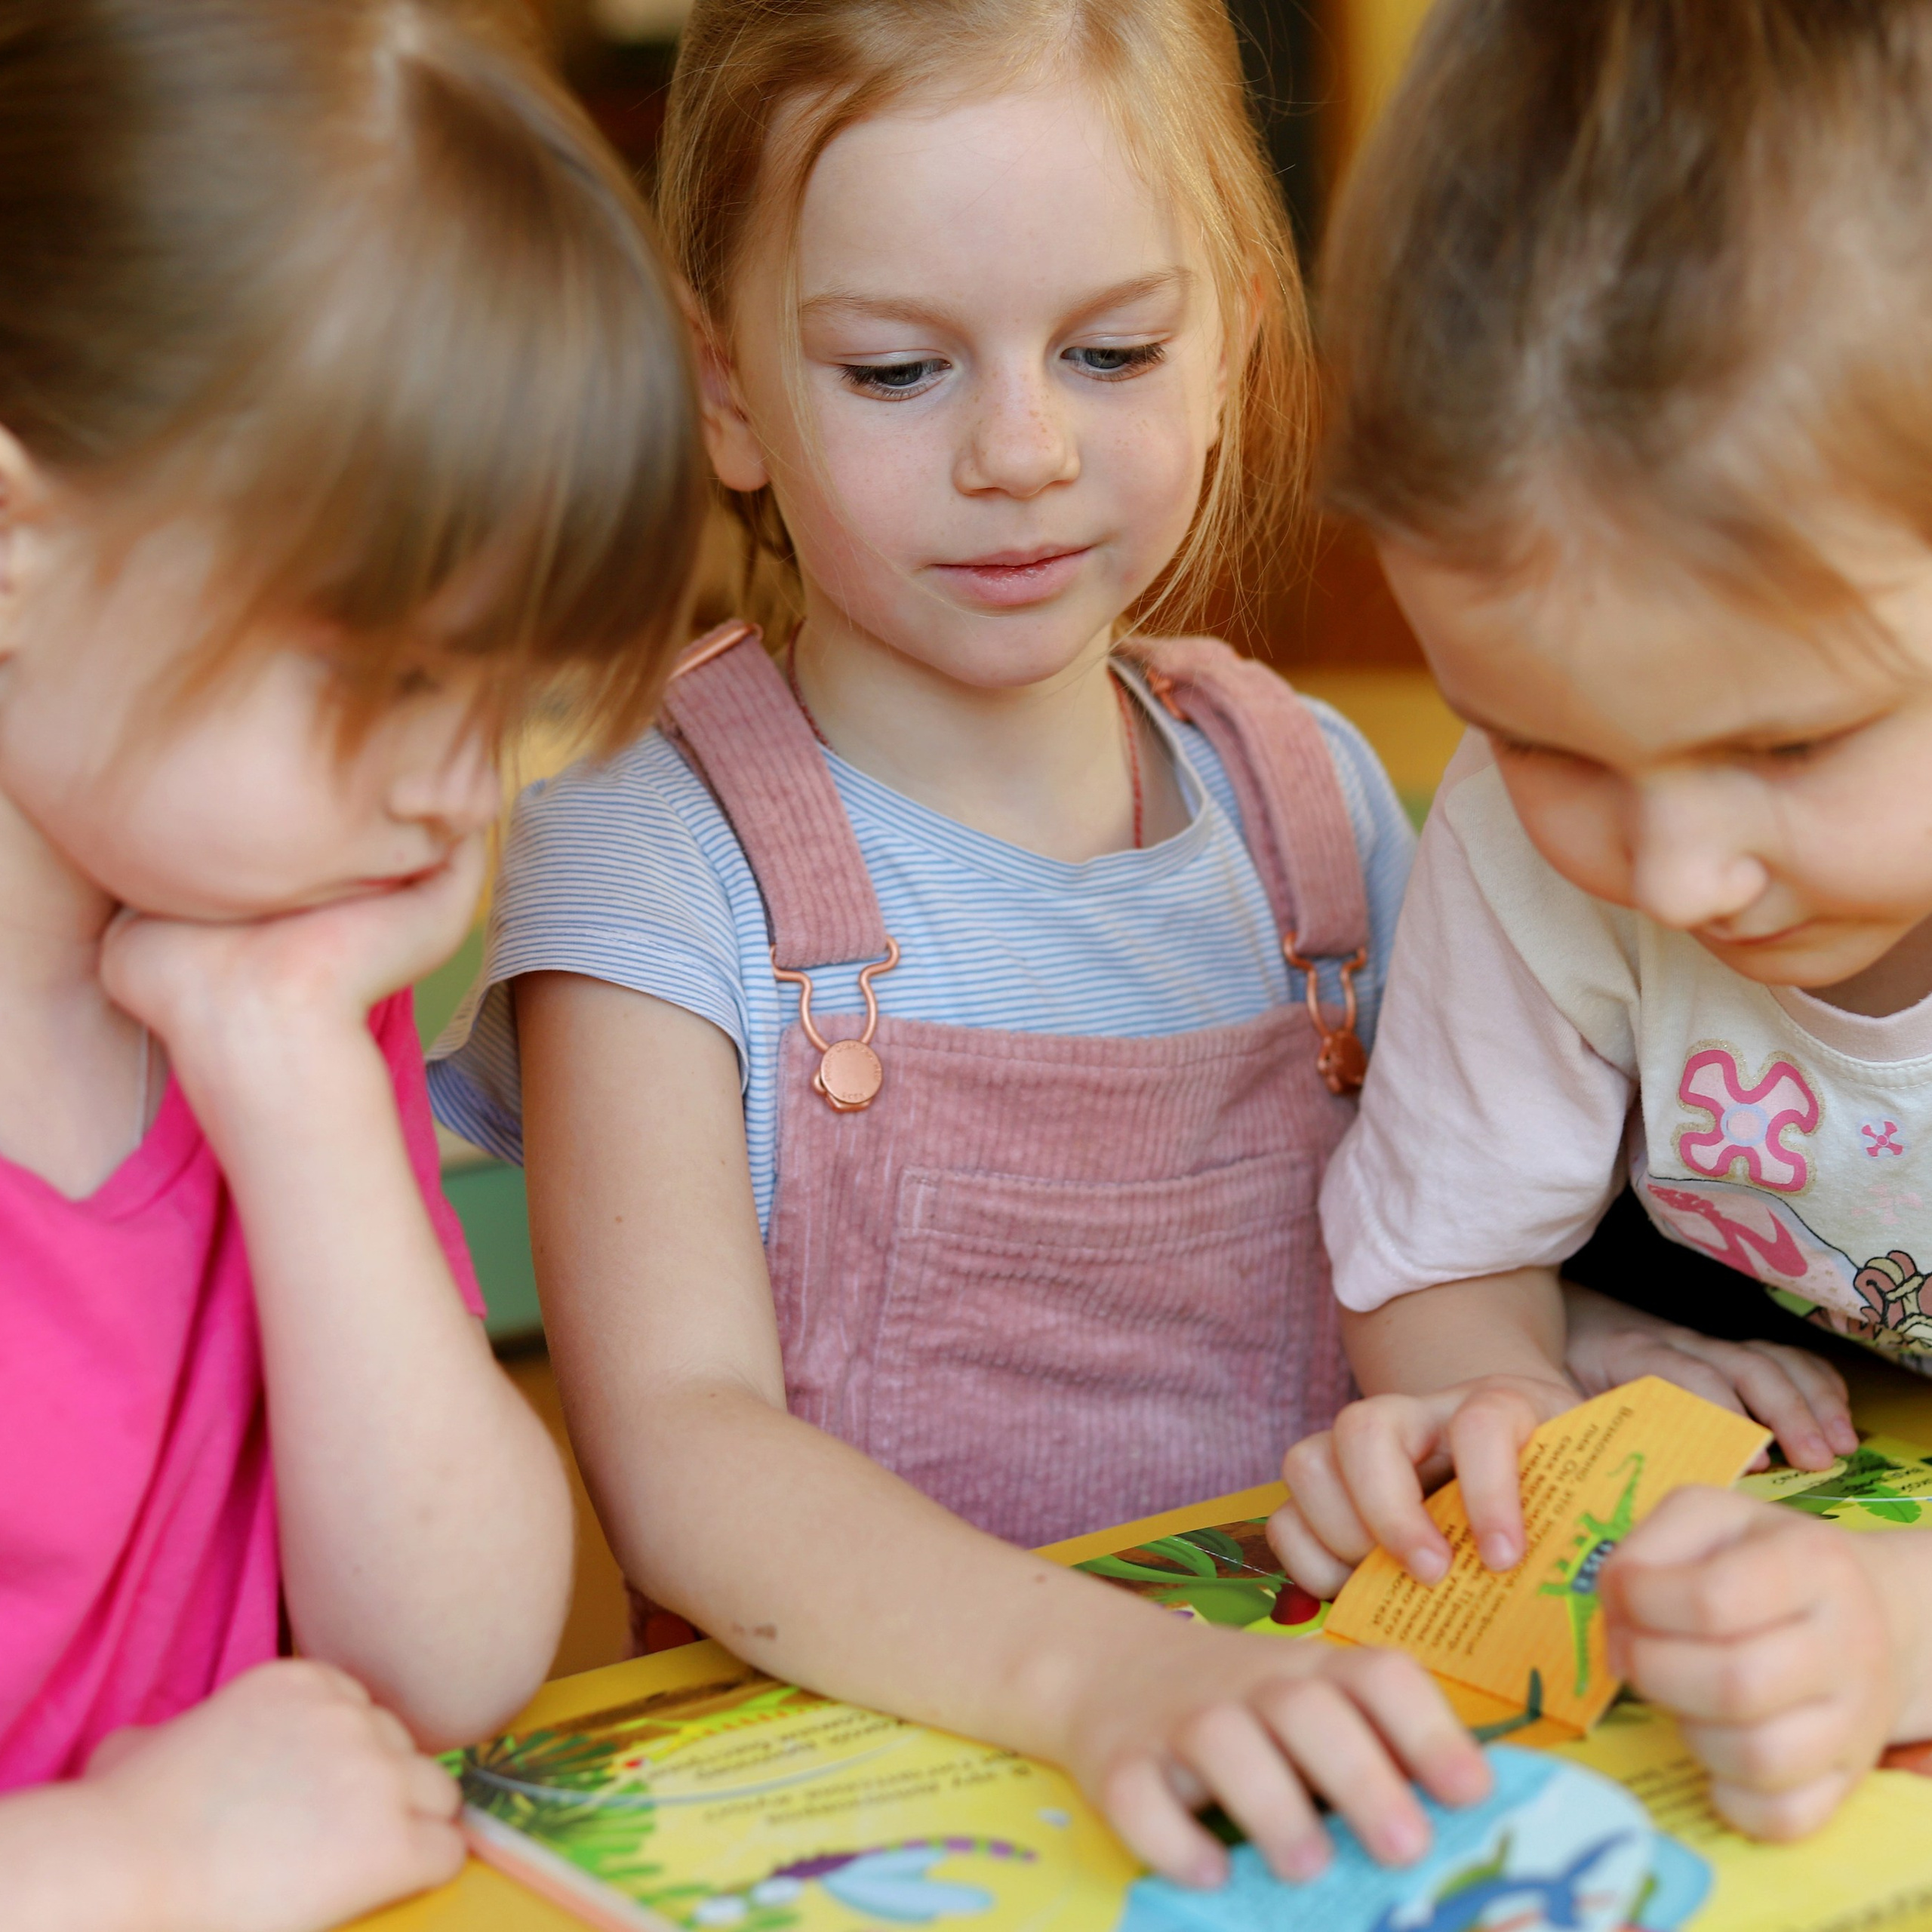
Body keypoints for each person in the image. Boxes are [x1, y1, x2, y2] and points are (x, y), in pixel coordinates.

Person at [429, 0, 1496, 1890]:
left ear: (1236, 341)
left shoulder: (1312, 807)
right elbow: (681, 1451)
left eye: (1109, 349)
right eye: (898, 370)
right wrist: (1107, 1679)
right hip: (858, 1830)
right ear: (727, 387)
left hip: (1324, 1783)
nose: (1020, 446)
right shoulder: (652, 853)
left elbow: (1451, 1258)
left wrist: (1612, 1359)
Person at [0, 2, 704, 1926]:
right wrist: (122, 1862)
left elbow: (453, 1661)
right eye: (389, 675)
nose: (455, 788)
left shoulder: (271, 948)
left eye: (511, 692)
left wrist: (295, 1076)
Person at [1267, 0, 1932, 1850]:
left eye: (1788, 740)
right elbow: (1436, 1275)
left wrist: (1896, 1632)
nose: (1675, 872)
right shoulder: (1525, 847)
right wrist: (1495, 1412)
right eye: (1541, 736)